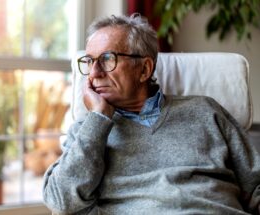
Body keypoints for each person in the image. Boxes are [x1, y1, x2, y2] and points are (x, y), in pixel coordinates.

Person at [43, 13, 260, 215]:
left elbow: (255, 185)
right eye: (89, 61)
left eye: (107, 59)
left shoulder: (206, 110)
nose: (94, 73)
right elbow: (61, 201)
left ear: (145, 69)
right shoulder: (87, 131)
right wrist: (99, 118)